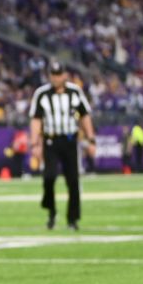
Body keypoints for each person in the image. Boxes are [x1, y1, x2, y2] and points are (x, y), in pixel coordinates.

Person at [29, 61, 96, 230]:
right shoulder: (42, 94)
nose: (56, 78)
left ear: (65, 75)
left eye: (59, 74)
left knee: (73, 180)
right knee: (49, 177)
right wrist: (35, 143)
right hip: (50, 141)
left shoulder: (75, 92)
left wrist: (91, 139)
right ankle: (51, 212)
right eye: (53, 74)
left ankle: (72, 219)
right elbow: (36, 119)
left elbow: (85, 116)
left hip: (70, 140)